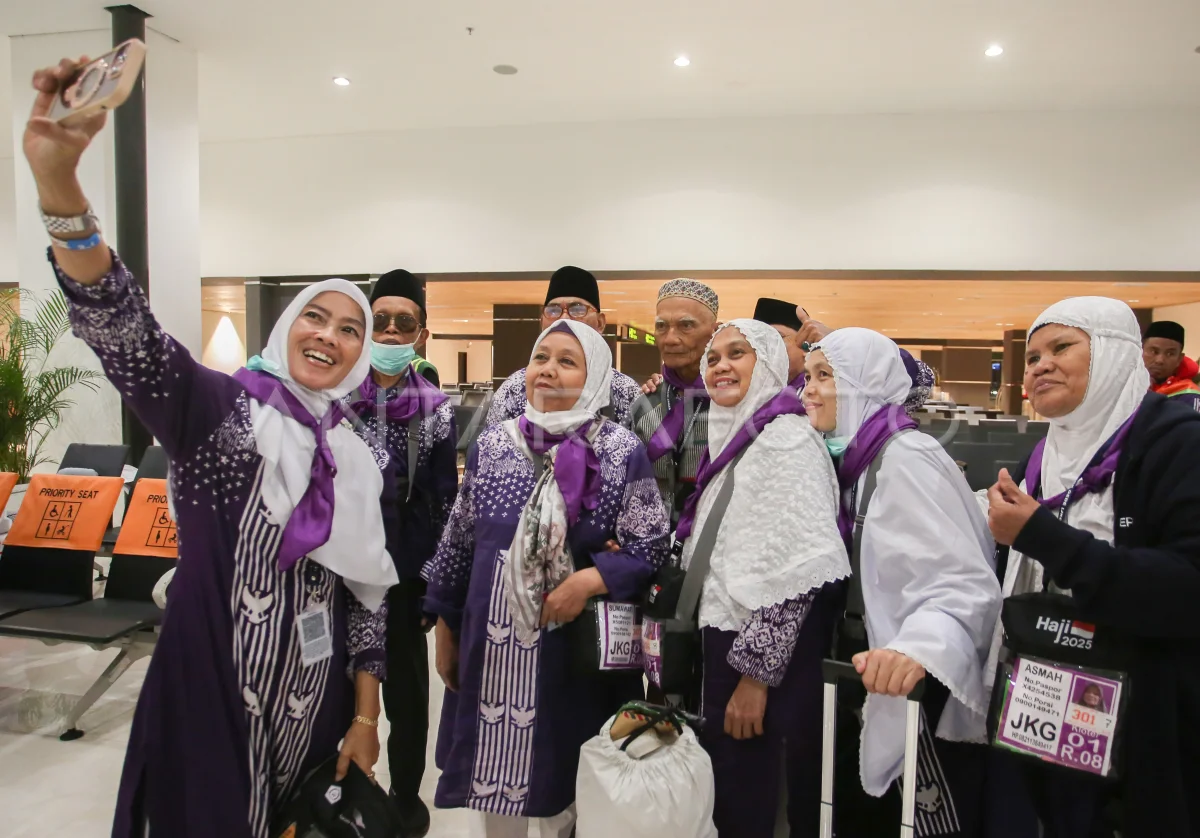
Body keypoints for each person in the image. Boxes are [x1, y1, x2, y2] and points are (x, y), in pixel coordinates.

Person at [23, 58, 397, 837]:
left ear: (359, 355)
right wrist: (60, 184)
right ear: (287, 323)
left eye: (348, 328)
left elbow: (365, 599)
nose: (328, 336)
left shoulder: (356, 456)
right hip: (208, 695)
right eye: (315, 316)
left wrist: (366, 718)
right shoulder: (215, 409)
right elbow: (122, 328)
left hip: (317, 709)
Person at [423, 319, 671, 837]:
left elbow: (650, 545)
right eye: (541, 357)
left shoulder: (620, 451)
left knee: (569, 791)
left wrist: (588, 581)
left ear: (595, 376)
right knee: (496, 788)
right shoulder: (493, 445)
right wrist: (445, 630)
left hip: (571, 657)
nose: (548, 370)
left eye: (567, 361)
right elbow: (460, 542)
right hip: (493, 654)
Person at [986, 297, 1200, 838]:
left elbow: (1186, 587)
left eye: (1061, 348)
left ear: (1111, 353)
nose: (1041, 366)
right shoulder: (1044, 454)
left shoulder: (1178, 442)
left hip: (1150, 716)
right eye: (1032, 357)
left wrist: (1043, 536)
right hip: (1048, 704)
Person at [803, 328, 1001, 838]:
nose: (809, 390)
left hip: (913, 679)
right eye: (807, 376)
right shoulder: (857, 458)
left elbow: (963, 580)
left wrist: (918, 647)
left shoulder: (906, 458)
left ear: (863, 386)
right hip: (868, 673)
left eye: (824, 376)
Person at [678, 319, 850, 836]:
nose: (721, 366)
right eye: (713, 358)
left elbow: (799, 570)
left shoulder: (786, 439)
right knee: (728, 794)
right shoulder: (739, 434)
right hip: (725, 643)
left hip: (757, 658)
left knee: (751, 798)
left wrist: (754, 678)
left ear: (771, 365)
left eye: (737, 354)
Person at [344, 268, 459, 837]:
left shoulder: (436, 408)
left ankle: (405, 800)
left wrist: (431, 586)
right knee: (341, 684)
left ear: (422, 334)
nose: (390, 331)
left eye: (404, 323)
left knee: (408, 699)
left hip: (405, 575)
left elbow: (444, 504)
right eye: (380, 320)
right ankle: (343, 792)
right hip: (340, 572)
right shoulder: (337, 397)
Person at [484, 266, 642, 427]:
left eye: (578, 309)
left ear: (600, 323)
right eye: (553, 310)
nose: (564, 318)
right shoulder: (513, 390)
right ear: (542, 322)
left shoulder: (625, 392)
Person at [628, 279, 719, 523]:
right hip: (648, 534)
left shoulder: (730, 404)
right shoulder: (645, 404)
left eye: (686, 325)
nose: (670, 339)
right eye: (661, 326)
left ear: (715, 331)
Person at [1141, 320, 1200, 409]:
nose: (1160, 360)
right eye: (1154, 351)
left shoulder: (1190, 395)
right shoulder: (1125, 385)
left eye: (1170, 354)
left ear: (1179, 359)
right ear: (1140, 351)